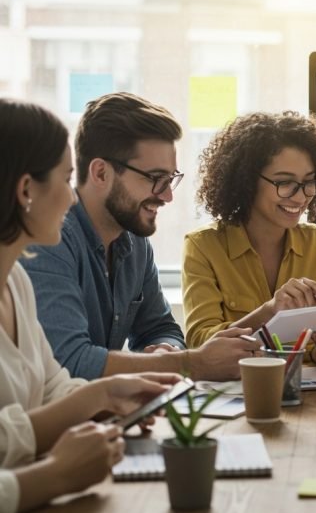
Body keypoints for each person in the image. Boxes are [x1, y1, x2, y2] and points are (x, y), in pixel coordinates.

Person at [0, 98, 184, 513]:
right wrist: (55, 475)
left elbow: (50, 389)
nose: (72, 195)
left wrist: (106, 394)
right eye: (66, 179)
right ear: (26, 190)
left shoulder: (16, 283)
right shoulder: (45, 257)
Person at [20, 92, 258, 381]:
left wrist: (164, 351)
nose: (168, 196)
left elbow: (160, 329)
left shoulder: (134, 239)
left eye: (170, 179)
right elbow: (68, 362)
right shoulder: (49, 240)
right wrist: (192, 364)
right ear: (101, 173)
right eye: (156, 178)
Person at [182, 111, 316, 364]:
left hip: (304, 392)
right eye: (285, 183)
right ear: (247, 181)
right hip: (235, 389)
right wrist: (270, 312)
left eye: (309, 182)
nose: (300, 197)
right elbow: (200, 342)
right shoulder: (204, 246)